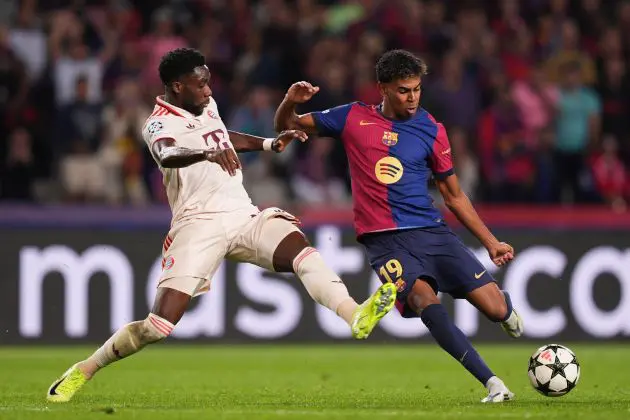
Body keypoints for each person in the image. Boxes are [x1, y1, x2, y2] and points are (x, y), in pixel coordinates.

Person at [46, 48, 397, 403]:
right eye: (200, 85)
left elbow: (221, 137)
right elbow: (168, 154)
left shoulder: (205, 106)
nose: (208, 91)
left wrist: (267, 143)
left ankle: (354, 315)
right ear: (177, 86)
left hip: (241, 212)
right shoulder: (157, 123)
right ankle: (86, 368)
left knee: (302, 252)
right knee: (158, 326)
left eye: (208, 83)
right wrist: (205, 153)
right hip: (197, 225)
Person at [274, 49, 523, 403]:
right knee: (424, 300)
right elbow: (290, 123)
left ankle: (506, 308)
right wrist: (288, 103)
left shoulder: (431, 129)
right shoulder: (352, 118)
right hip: (383, 242)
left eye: (417, 89)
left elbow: (453, 195)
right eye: (404, 90)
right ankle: (492, 383)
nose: (412, 97)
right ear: (383, 88)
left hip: (431, 233)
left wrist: (491, 242)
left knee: (496, 309)